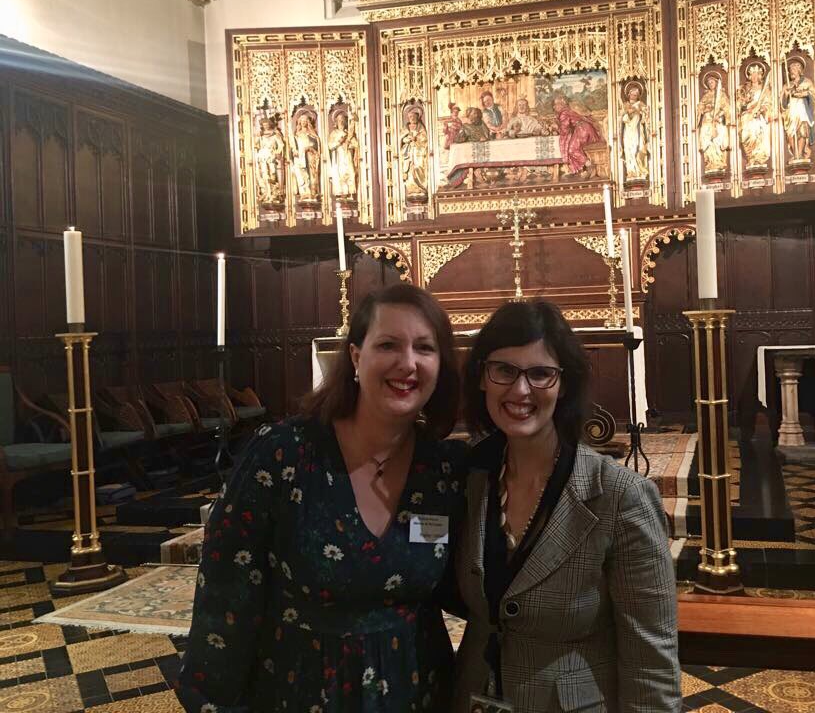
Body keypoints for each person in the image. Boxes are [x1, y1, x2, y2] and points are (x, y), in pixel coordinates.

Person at [176, 283, 466, 713]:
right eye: (388, 344)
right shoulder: (284, 454)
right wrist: (215, 701)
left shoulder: (443, 469)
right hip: (301, 689)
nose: (408, 363)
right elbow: (225, 591)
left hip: (418, 690)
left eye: (425, 348)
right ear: (355, 357)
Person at [452, 300, 681, 713]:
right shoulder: (471, 480)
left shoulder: (620, 496)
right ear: (482, 377)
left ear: (564, 384)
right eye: (504, 370)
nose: (520, 390)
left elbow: (651, 662)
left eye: (540, 373)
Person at [553, 95, 601, 178]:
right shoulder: (568, 110)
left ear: (561, 105)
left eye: (556, 104)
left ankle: (590, 166)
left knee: (572, 150)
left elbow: (565, 130)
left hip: (582, 130)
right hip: (586, 128)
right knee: (571, 146)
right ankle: (579, 169)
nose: (554, 107)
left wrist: (556, 127)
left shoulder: (564, 113)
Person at [781, 58, 815, 164]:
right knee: (790, 132)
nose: (791, 72)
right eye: (790, 70)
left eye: (794, 70)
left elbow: (813, 95)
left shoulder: (807, 82)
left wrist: (803, 94)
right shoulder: (787, 85)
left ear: (799, 70)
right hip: (791, 112)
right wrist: (786, 95)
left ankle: (800, 153)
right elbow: (782, 103)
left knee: (802, 130)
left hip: (802, 110)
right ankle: (795, 153)